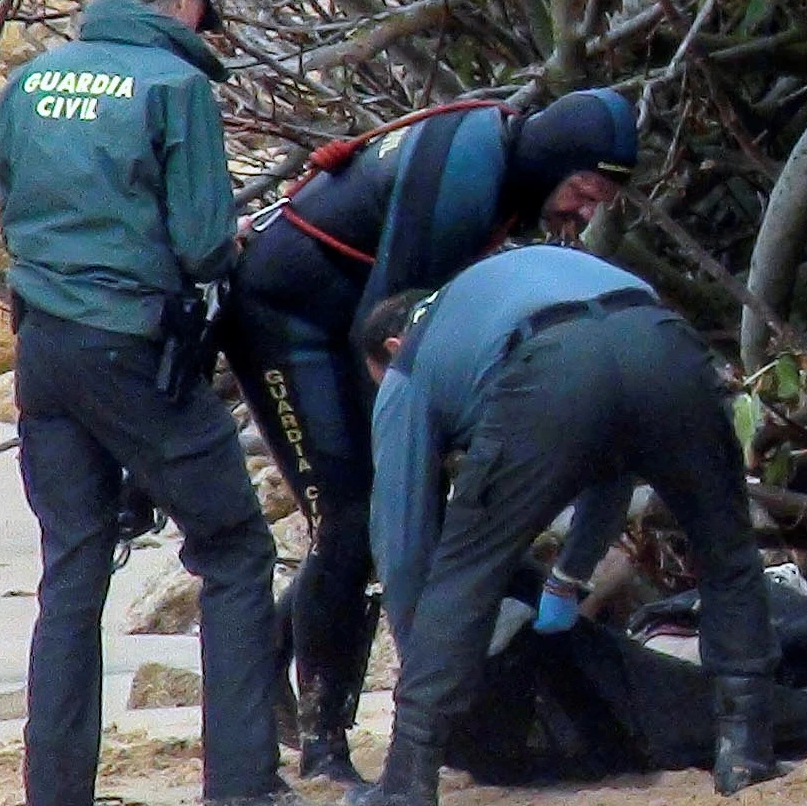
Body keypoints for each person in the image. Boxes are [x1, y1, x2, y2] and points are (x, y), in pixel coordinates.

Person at [218, 88, 639, 785]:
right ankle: (325, 744)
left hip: (349, 317)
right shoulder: (465, 177)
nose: (586, 212)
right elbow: (388, 332)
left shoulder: (505, 165)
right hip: (286, 320)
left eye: (602, 201)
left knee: (376, 514)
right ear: (553, 161)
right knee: (356, 521)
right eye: (584, 191)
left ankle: (272, 662)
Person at [0, 0, 296, 806]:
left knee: (72, 573)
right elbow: (203, 245)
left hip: (42, 348)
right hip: (132, 350)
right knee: (234, 548)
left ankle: (57, 792)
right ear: (192, 1)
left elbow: (12, 209)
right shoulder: (176, 86)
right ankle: (243, 785)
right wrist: (228, 242)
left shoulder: (30, 80)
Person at [346, 244, 787, 806]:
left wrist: (423, 654)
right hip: (664, 343)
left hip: (550, 367)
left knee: (465, 571)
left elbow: (405, 544)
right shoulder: (501, 290)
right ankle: (746, 750)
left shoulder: (411, 364)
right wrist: (568, 576)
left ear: (392, 346)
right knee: (726, 551)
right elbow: (614, 461)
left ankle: (407, 782)